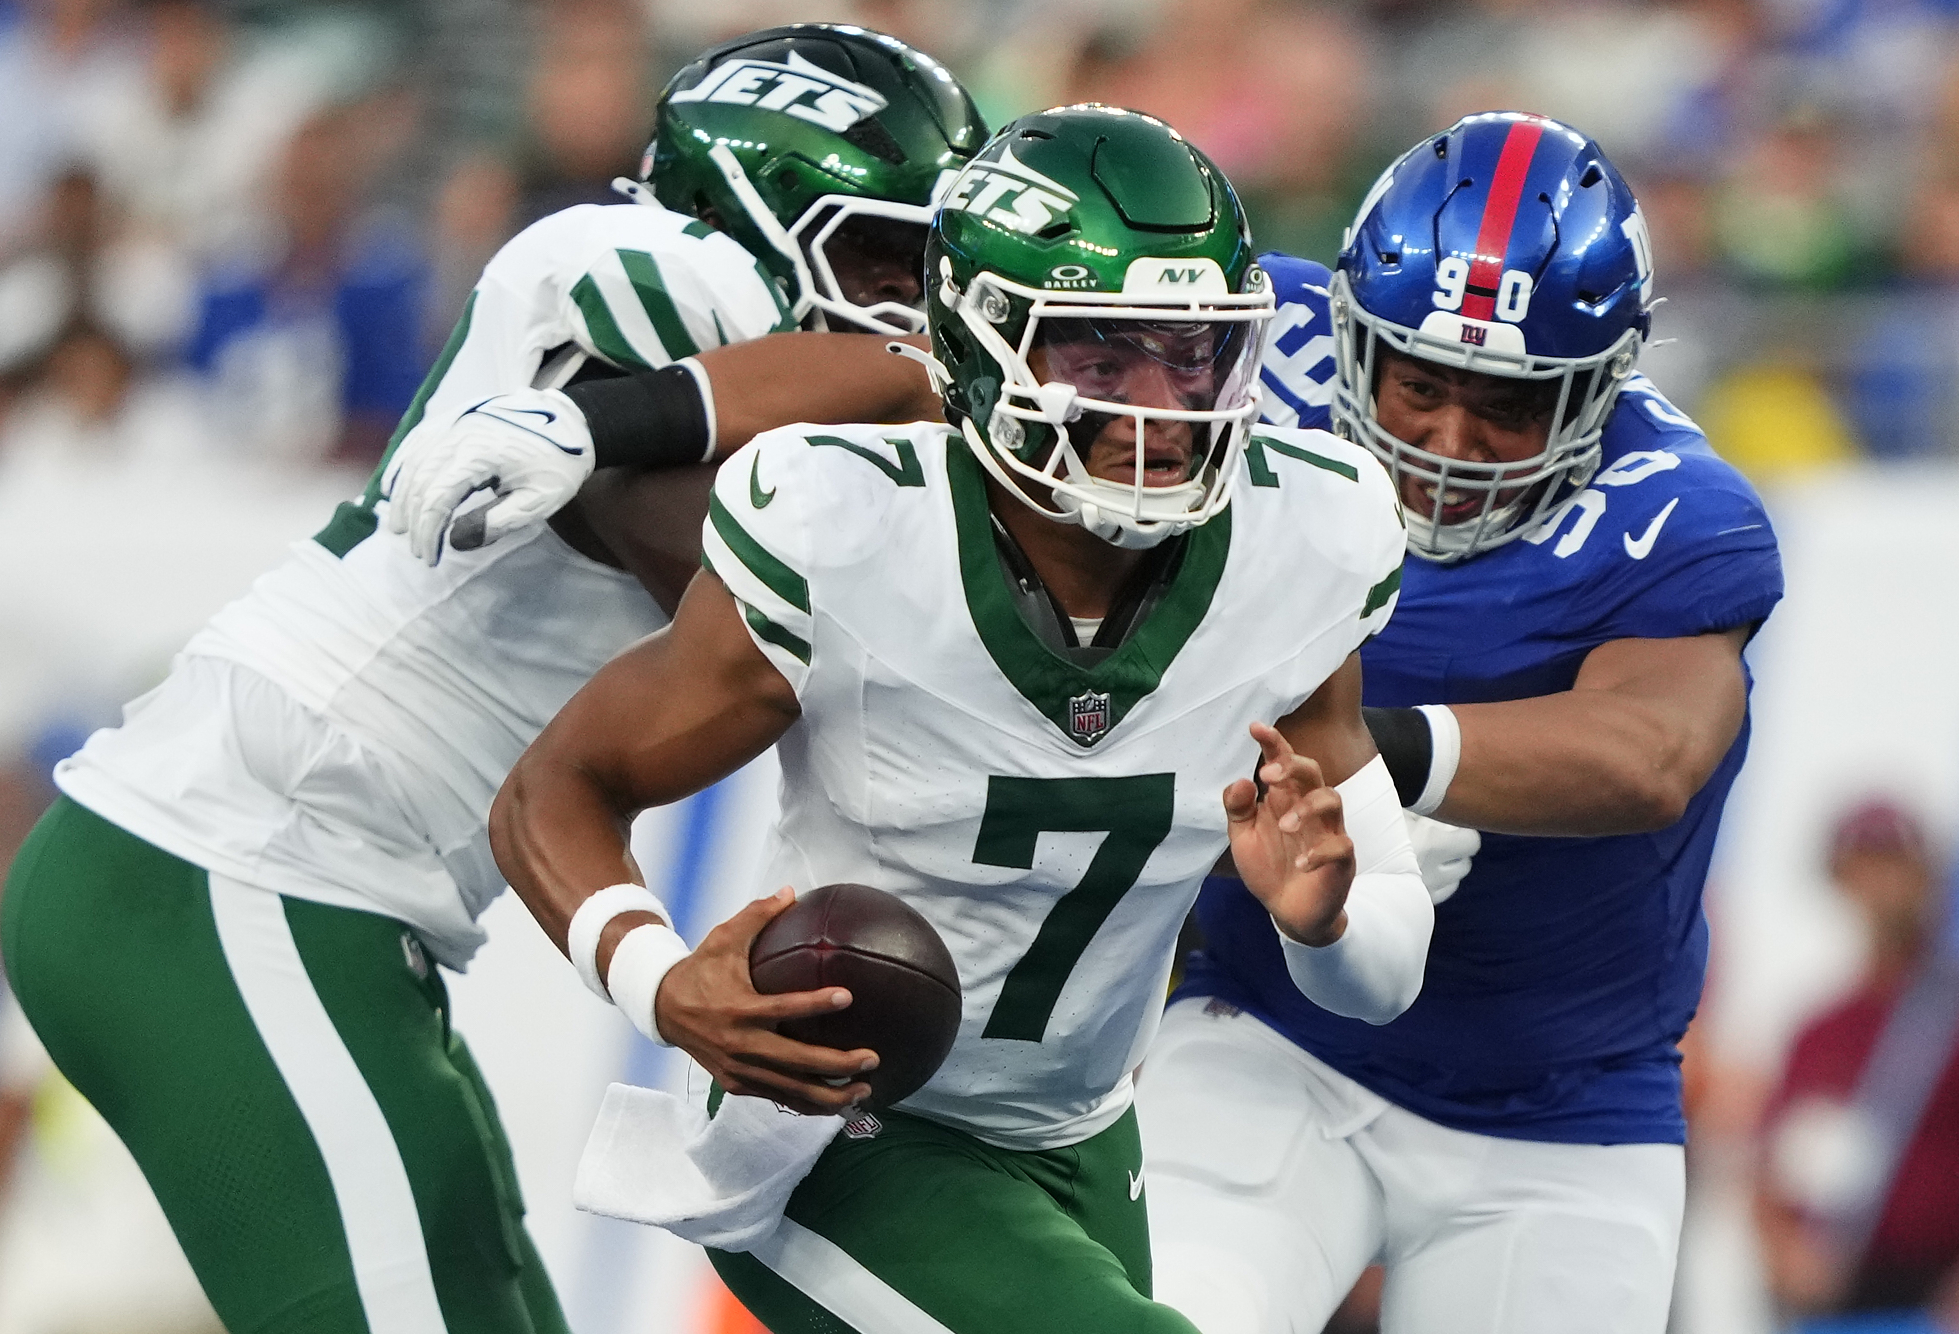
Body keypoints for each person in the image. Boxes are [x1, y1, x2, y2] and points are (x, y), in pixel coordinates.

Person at [0, 25, 985, 1334]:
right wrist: (967, 404)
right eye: (882, 258)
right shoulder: (622, 261)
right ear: (744, 212)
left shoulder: (750, 377)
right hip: (234, 866)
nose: (912, 303)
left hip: (331, 897)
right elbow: (721, 554)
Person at [490, 104, 1432, 1334]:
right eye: (1102, 357)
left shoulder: (1307, 539)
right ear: (983, 349)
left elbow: (1381, 976)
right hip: (839, 1119)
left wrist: (1319, 921)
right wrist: (663, 984)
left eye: (1191, 353)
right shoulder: (848, 524)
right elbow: (553, 790)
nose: (1162, 408)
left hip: (1081, 1133)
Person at [1134, 110, 1786, 1334]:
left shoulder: (1675, 513)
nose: (1445, 440)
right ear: (1346, 337)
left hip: (1557, 1115)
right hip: (1268, 1033)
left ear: (1595, 391)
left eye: (1504, 404)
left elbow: (1647, 757)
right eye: (1419, 385)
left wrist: (1373, 761)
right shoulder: (1246, 351)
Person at [1755, 798, 1959, 1327]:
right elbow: (1771, 1164)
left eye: (1895, 862)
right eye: (1864, 865)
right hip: (1833, 1295)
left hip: (1932, 1297)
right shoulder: (1820, 1031)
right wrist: (1784, 1251)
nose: (1881, 883)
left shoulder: (1944, 1016)